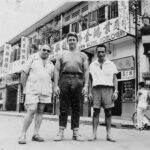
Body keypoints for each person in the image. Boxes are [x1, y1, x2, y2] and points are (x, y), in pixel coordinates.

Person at [54, 32, 89, 141]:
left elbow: (87, 71)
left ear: (76, 41)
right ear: (67, 42)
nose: (72, 41)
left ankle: (75, 132)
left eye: (74, 39)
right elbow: (56, 70)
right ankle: (61, 132)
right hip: (64, 79)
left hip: (78, 80)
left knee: (76, 107)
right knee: (63, 107)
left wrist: (86, 85)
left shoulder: (83, 55)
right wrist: (55, 85)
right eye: (70, 40)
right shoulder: (61, 54)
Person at [18, 44, 54, 144]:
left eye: (48, 51)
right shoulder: (32, 59)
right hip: (32, 90)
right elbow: (24, 74)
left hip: (45, 90)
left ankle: (35, 134)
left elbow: (50, 78)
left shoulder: (51, 64)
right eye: (44, 50)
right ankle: (22, 135)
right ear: (40, 49)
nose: (46, 52)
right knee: (31, 110)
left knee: (40, 111)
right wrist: (24, 89)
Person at [88, 44, 118, 142]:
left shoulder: (111, 64)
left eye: (102, 51)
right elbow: (90, 80)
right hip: (96, 89)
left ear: (105, 52)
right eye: (99, 52)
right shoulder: (92, 65)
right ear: (96, 53)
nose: (100, 53)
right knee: (95, 112)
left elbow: (115, 79)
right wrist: (89, 92)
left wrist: (116, 91)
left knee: (108, 112)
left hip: (108, 89)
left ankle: (109, 134)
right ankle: (93, 134)